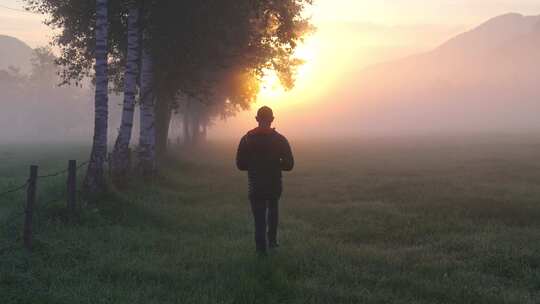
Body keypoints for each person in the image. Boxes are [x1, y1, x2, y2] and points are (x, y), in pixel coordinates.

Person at [236, 106, 294, 255]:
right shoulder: (280, 139)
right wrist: (275, 164)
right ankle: (273, 242)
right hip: (274, 183)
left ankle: (260, 250)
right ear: (272, 120)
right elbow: (289, 165)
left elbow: (240, 165)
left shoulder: (247, 138)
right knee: (273, 211)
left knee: (259, 218)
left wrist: (254, 165)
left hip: (255, 184)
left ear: (256, 119)